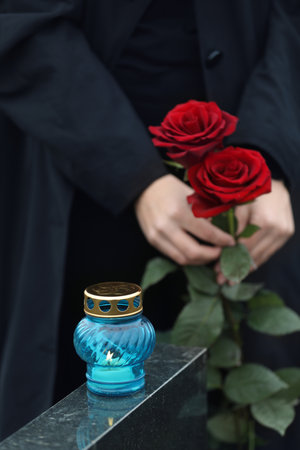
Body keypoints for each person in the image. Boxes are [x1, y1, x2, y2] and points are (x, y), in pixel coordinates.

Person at [0, 0, 299, 446]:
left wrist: (269, 158)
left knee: (251, 405)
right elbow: (19, 20)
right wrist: (134, 176)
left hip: (256, 203)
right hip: (77, 185)